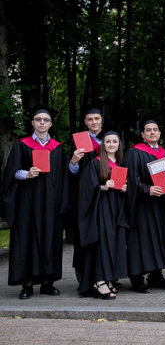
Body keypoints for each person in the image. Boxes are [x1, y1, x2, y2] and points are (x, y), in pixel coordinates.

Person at [0, 104, 67, 299]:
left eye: (45, 120)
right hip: (27, 202)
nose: (42, 123)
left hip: (51, 203)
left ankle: (48, 283)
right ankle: (27, 284)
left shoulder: (58, 149)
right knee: (27, 239)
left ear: (51, 123)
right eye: (38, 120)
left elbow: (63, 178)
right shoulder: (22, 145)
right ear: (32, 122)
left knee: (50, 239)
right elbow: (11, 173)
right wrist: (26, 174)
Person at [77, 127, 128, 300]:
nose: (111, 144)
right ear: (103, 144)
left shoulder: (121, 163)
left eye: (115, 141)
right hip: (102, 208)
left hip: (117, 209)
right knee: (102, 244)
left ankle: (109, 277)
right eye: (108, 141)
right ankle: (99, 281)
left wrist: (125, 189)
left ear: (119, 144)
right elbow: (86, 188)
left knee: (113, 244)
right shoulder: (96, 163)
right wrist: (103, 187)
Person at [123, 117, 165, 293]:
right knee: (140, 241)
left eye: (155, 130)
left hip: (160, 204)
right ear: (142, 134)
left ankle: (156, 275)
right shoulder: (134, 152)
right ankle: (137, 278)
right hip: (141, 205)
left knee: (158, 239)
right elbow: (131, 178)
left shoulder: (164, 153)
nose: (152, 132)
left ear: (159, 133)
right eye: (148, 130)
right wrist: (147, 189)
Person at [67, 104, 104, 282]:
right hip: (85, 196)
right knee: (84, 233)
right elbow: (71, 172)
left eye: (96, 119)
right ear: (85, 122)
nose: (94, 122)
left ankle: (104, 273)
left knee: (104, 233)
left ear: (101, 120)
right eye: (90, 119)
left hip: (105, 195)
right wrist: (74, 161)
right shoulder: (78, 141)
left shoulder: (109, 139)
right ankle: (82, 273)